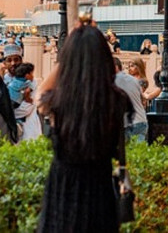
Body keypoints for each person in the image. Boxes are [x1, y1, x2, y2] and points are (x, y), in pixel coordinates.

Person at [37, 25, 129, 233]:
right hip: (99, 193)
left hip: (62, 193)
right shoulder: (116, 100)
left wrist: (69, 58)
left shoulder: (56, 102)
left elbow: (41, 91)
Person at [115, 58, 149, 142]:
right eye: (129, 66)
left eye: (132, 66)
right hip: (140, 119)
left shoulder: (139, 81)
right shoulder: (132, 80)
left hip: (131, 121)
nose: (130, 68)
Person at [11, 63, 43, 142]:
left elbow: (26, 109)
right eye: (32, 73)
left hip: (29, 123)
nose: (33, 75)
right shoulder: (26, 83)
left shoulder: (31, 83)